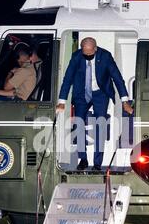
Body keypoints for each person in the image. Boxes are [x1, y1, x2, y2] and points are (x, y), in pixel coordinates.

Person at [56, 37, 134, 171]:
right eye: (84, 53)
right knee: (79, 124)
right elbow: (67, 78)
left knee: (100, 126)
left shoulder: (105, 56)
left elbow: (117, 78)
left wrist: (125, 101)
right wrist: (62, 101)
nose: (87, 56)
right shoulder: (76, 57)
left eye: (90, 53)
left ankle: (97, 163)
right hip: (81, 94)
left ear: (95, 49)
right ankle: (83, 159)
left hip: (100, 93)